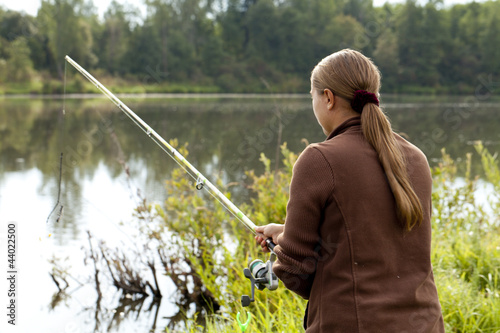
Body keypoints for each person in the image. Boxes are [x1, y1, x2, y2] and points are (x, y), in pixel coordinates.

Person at [255, 49, 445, 332]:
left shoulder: (319, 159)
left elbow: (297, 272)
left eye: (313, 97)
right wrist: (287, 233)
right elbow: (382, 240)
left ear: (328, 98)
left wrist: (284, 253)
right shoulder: (416, 158)